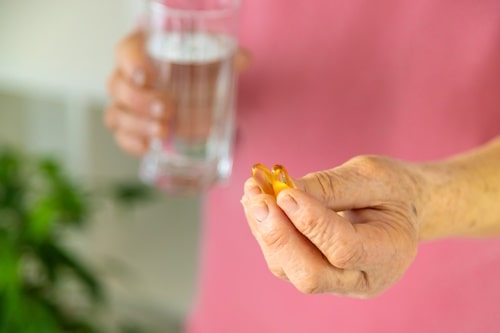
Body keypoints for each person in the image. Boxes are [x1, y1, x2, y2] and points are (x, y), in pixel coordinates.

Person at [105, 1, 500, 332]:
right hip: (238, 303)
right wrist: (149, 102)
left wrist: (421, 201)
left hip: (442, 306)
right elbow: (183, 31)